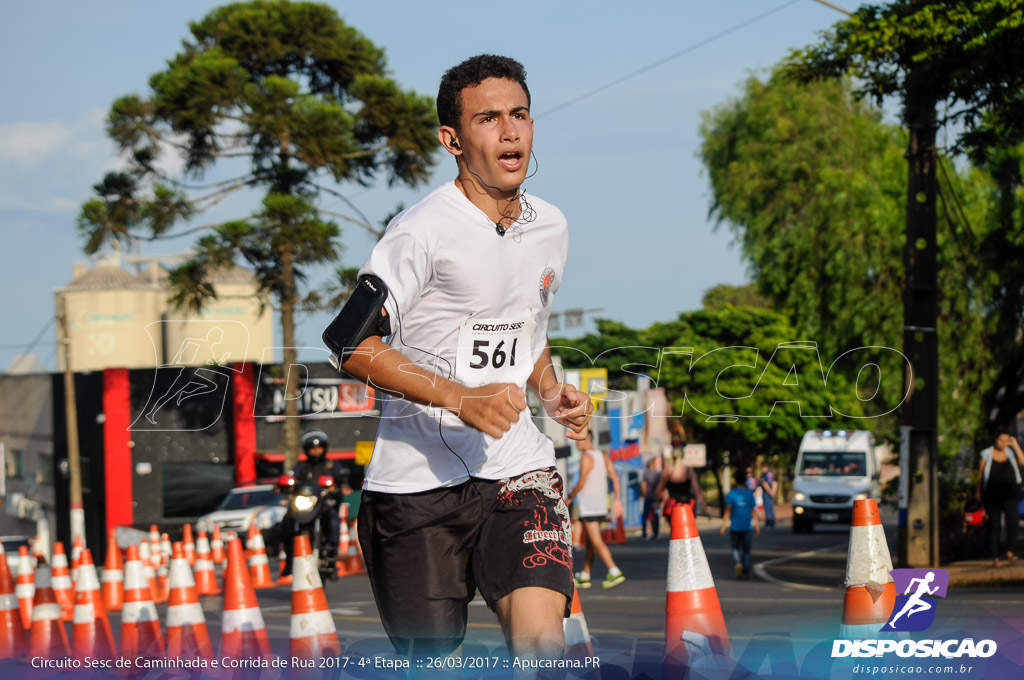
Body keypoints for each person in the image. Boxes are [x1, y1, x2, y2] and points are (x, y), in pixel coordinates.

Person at [338, 55, 592, 659]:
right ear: (452, 139)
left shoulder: (550, 225)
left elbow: (526, 329)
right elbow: (349, 343)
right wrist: (461, 398)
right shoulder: (420, 232)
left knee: (543, 650)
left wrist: (551, 394)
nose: (510, 132)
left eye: (520, 115)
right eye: (489, 119)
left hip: (517, 468)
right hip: (417, 486)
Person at [279, 429, 344, 577]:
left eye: (319, 447)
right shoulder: (301, 466)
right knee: (286, 522)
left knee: (333, 520)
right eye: (312, 448)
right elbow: (290, 478)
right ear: (306, 450)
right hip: (305, 504)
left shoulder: (331, 465)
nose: (316, 451)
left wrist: (342, 486)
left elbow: (342, 479)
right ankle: (289, 557)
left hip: (325, 504)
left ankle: (331, 556)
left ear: (325, 448)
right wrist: (283, 485)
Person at [567, 434, 625, 589]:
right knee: (592, 542)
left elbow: (582, 481)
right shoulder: (602, 456)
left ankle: (614, 571)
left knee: (597, 542)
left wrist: (570, 497)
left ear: (586, 440)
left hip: (589, 505)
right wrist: (617, 500)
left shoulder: (586, 457)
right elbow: (615, 477)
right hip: (600, 505)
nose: (576, 444)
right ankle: (585, 574)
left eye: (578, 441)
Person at [977, 433, 1024, 567]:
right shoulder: (986, 453)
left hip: (1011, 494)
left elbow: (1023, 461)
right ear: (995, 440)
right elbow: (981, 474)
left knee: (1013, 522)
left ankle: (1008, 550)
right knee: (994, 525)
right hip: (993, 495)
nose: (1003, 443)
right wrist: (978, 491)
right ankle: (995, 555)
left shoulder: (1010, 453)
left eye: (1006, 441)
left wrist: (1015, 445)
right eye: (1001, 440)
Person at [720, 468, 760, 578]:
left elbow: (727, 511)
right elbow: (753, 511)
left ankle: (738, 563)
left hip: (735, 526)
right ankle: (746, 569)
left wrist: (723, 526)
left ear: (735, 480)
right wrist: (757, 526)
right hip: (747, 526)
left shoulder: (731, 494)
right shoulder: (749, 494)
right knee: (746, 549)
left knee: (735, 547)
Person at [656, 446, 708, 525]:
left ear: (672, 457)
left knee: (675, 532)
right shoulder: (688, 470)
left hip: (672, 507)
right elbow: (697, 490)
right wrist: (705, 507)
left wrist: (654, 501)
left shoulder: (668, 471)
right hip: (687, 506)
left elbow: (659, 490)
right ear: (683, 456)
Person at [640, 456, 663, 540]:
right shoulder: (658, 474)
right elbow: (660, 487)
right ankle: (656, 532)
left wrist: (643, 495)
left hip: (648, 497)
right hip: (656, 498)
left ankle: (644, 532)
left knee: (645, 515)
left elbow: (643, 486)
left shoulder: (645, 474)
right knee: (656, 515)